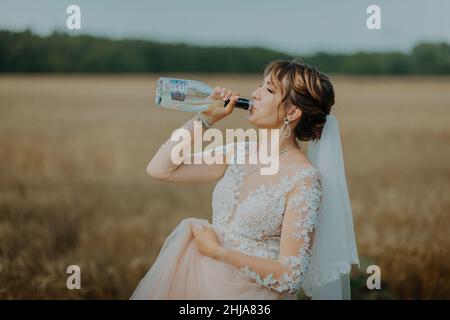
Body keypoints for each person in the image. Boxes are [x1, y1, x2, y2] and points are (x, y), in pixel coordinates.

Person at [130, 60, 359, 300]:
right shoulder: (238, 152)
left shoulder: (304, 179)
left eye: (269, 90)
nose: (254, 94)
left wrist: (219, 252)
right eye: (260, 85)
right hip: (198, 286)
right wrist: (205, 119)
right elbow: (160, 168)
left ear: (292, 112)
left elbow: (291, 277)